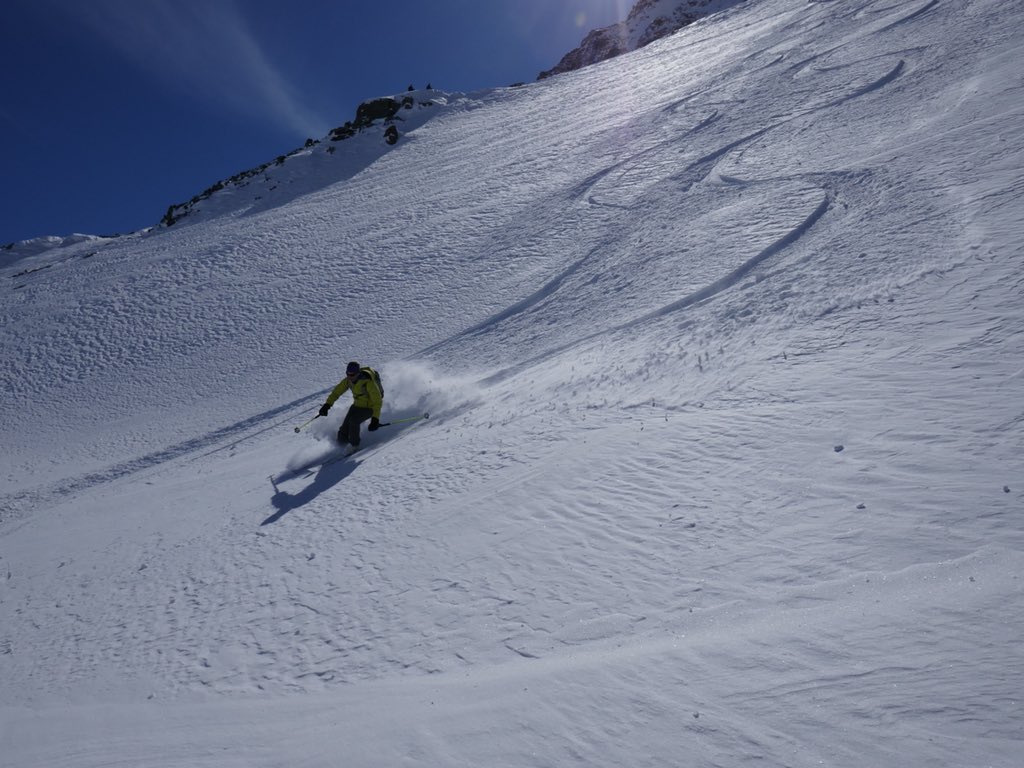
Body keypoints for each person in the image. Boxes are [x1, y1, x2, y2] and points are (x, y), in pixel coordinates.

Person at [318, 361, 383, 451]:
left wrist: (375, 419)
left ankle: (354, 446)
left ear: (358, 373)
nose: (349, 377)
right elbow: (337, 392)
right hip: (356, 406)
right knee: (344, 428)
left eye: (352, 375)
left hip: (369, 408)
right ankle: (340, 446)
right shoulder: (348, 381)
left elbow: (377, 402)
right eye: (347, 374)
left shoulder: (368, 383)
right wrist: (327, 405)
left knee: (354, 422)